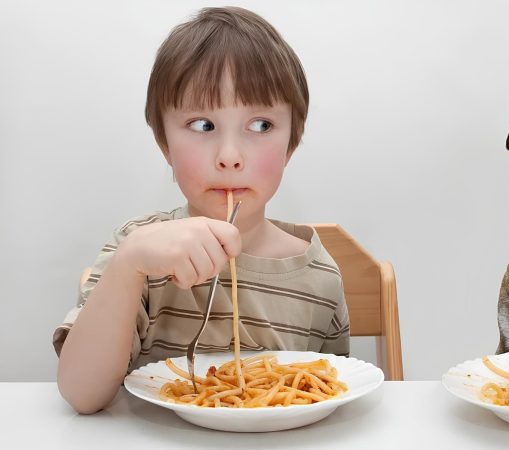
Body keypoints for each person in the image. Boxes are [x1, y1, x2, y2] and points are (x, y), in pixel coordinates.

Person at [54, 6, 349, 414]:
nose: (229, 157)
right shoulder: (136, 249)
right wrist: (129, 265)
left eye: (261, 125)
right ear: (165, 147)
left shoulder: (320, 277)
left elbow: (333, 396)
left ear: (290, 146)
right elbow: (81, 395)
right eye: (202, 126)